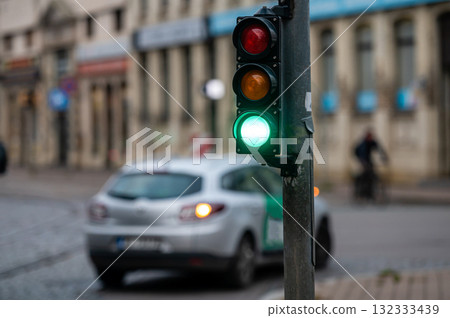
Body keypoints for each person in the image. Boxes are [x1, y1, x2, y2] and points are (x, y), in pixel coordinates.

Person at [354, 130, 388, 200]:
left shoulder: (372, 142)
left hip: (369, 160)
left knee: (373, 175)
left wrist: (384, 157)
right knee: (364, 174)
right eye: (369, 137)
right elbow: (361, 154)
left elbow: (379, 149)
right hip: (362, 159)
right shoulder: (363, 144)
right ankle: (361, 191)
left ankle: (370, 193)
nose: (370, 138)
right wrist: (363, 162)